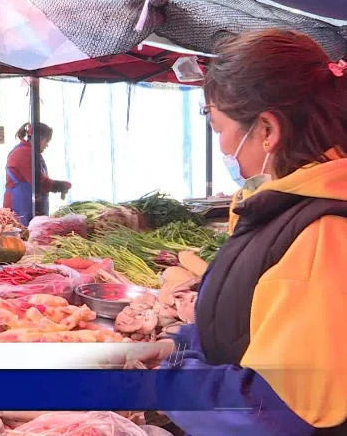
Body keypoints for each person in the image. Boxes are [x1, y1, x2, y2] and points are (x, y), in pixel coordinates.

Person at [134, 30, 347, 435]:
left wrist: (169, 382)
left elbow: (277, 411)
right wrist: (179, 346)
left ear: (267, 129)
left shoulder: (322, 234)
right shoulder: (283, 211)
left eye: (218, 127)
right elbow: (245, 327)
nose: (222, 146)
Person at [3, 123, 71, 225]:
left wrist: (58, 185)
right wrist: (59, 186)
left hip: (28, 206)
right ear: (40, 139)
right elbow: (38, 181)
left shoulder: (32, 153)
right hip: (19, 208)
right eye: (46, 141)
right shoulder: (22, 153)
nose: (46, 146)